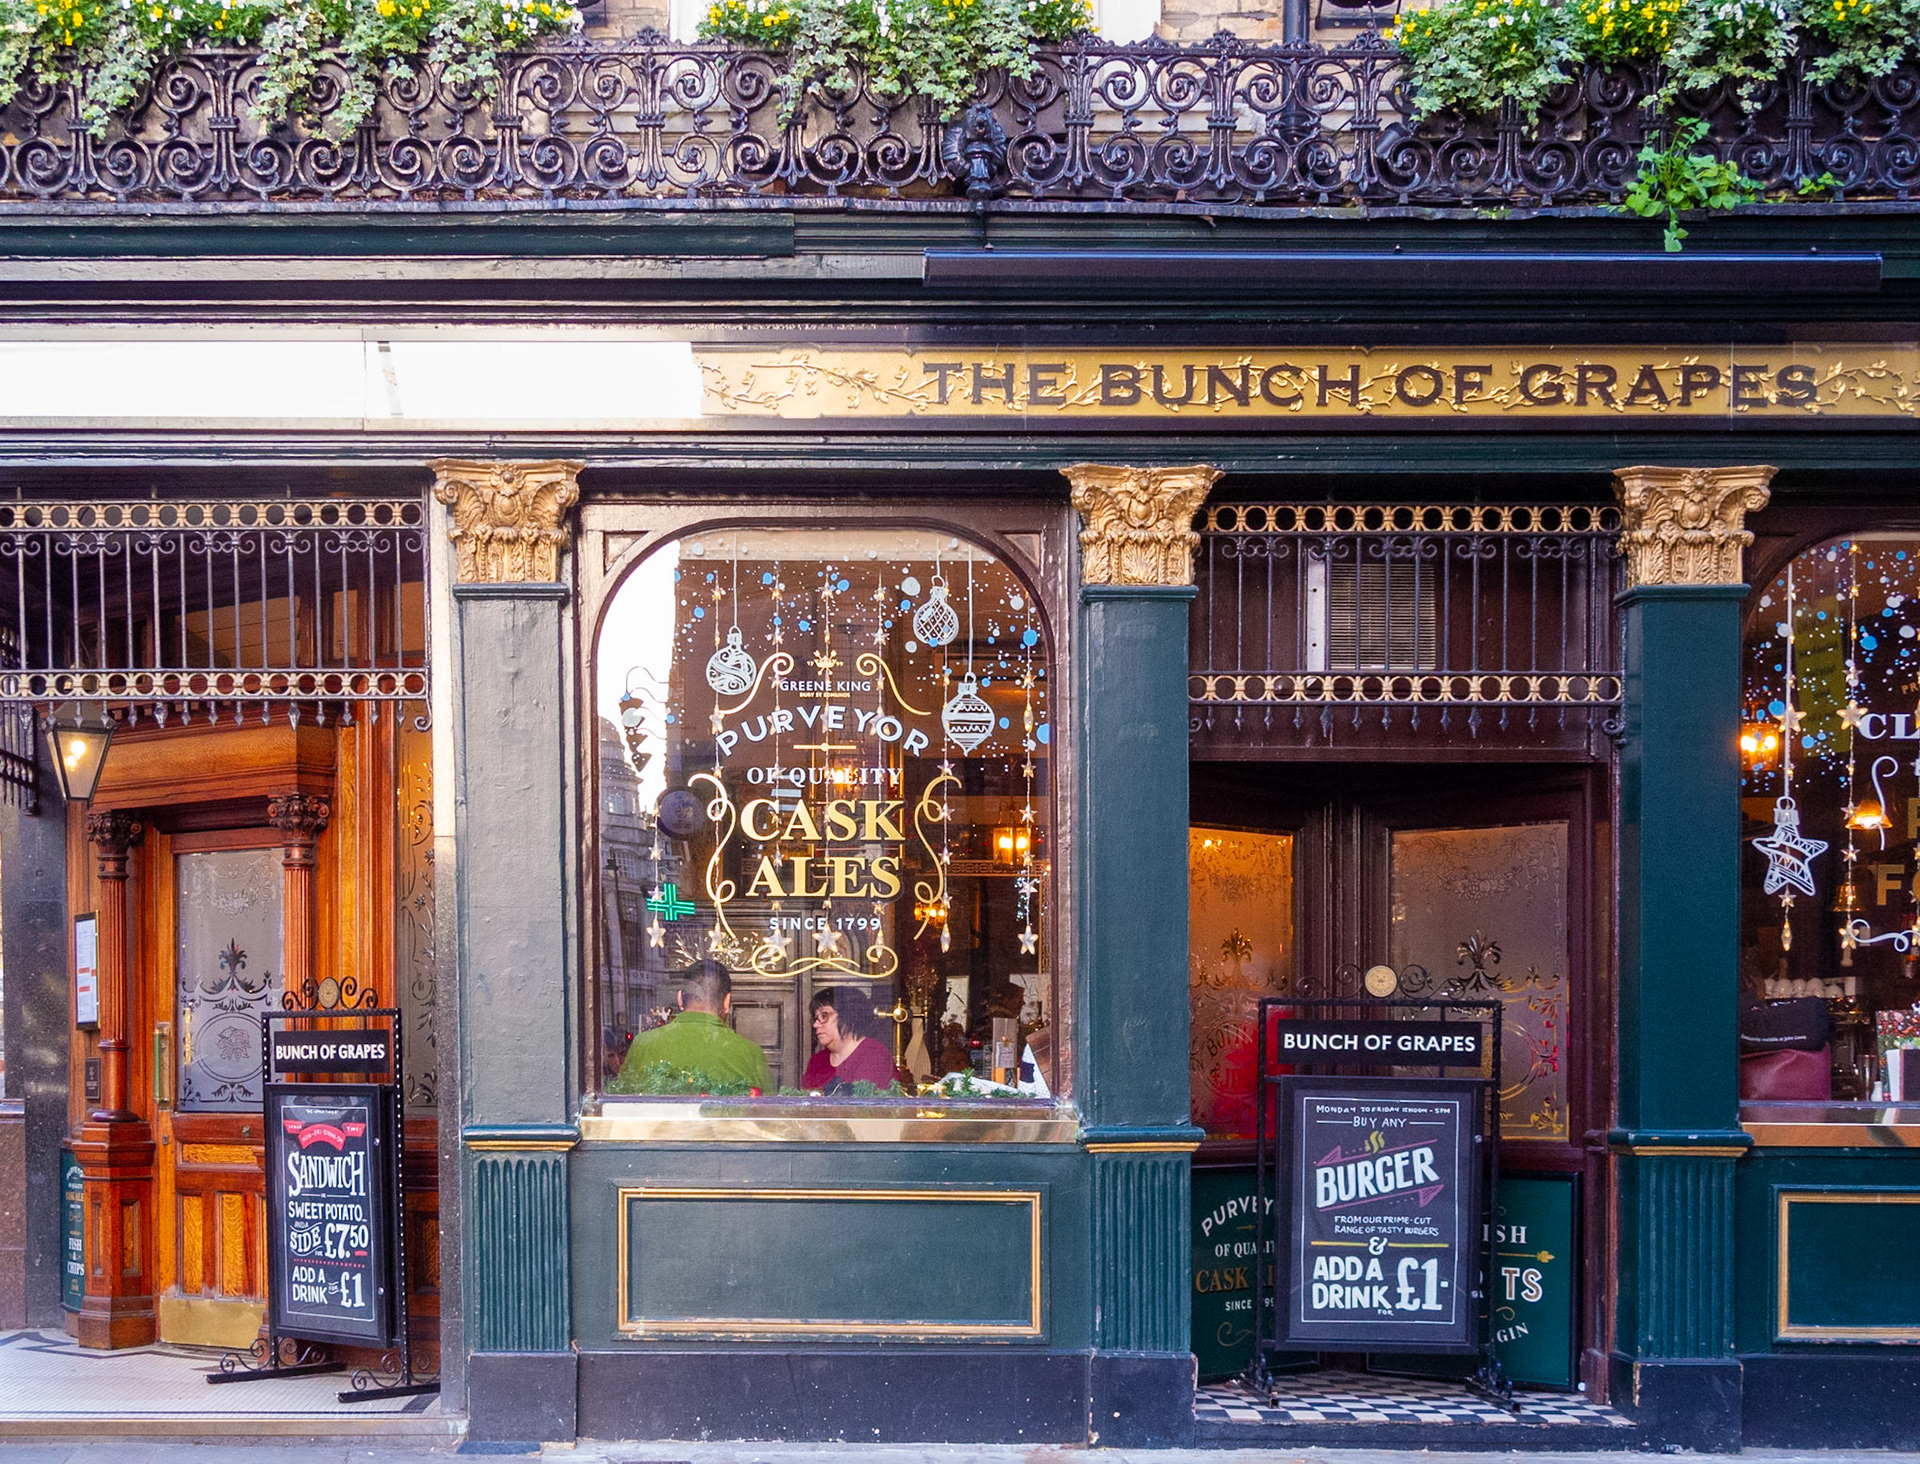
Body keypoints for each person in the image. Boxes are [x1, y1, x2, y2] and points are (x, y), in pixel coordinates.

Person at [610, 959, 772, 1093]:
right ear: (727, 1002)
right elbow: (768, 1118)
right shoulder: (750, 1053)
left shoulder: (642, 1045)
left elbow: (622, 1104)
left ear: (680, 998)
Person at [803, 987, 898, 1093]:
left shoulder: (874, 1054)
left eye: (824, 1015)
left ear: (847, 1016)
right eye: (815, 1018)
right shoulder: (818, 1061)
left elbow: (864, 1107)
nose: (816, 1024)